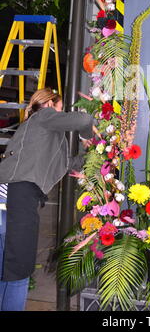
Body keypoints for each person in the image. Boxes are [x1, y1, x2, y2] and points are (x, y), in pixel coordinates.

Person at [0, 88, 97, 311]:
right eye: (61, 108)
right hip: (18, 195)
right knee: (18, 273)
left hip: (8, 197)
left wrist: (95, 155)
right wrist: (88, 136)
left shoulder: (42, 136)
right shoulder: (43, 116)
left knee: (6, 271)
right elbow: (83, 119)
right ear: (49, 104)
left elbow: (68, 164)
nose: (61, 114)